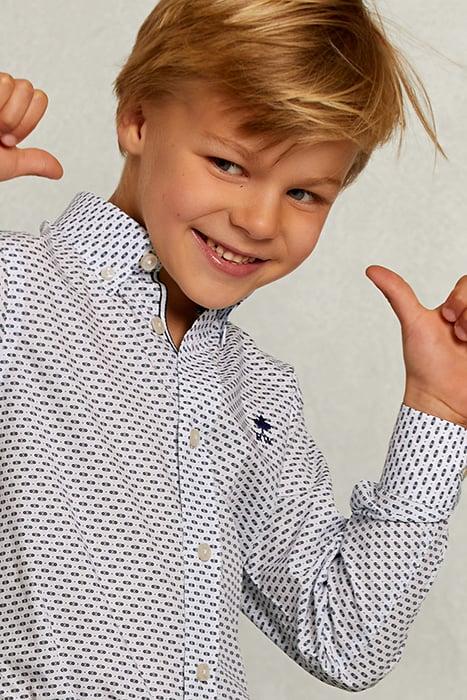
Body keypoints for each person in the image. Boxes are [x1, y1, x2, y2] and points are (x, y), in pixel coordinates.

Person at [0, 1, 466, 698]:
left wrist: (438, 410)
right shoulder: (13, 292)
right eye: (228, 164)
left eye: (303, 192)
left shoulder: (258, 392)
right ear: (138, 120)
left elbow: (346, 641)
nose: (258, 220)